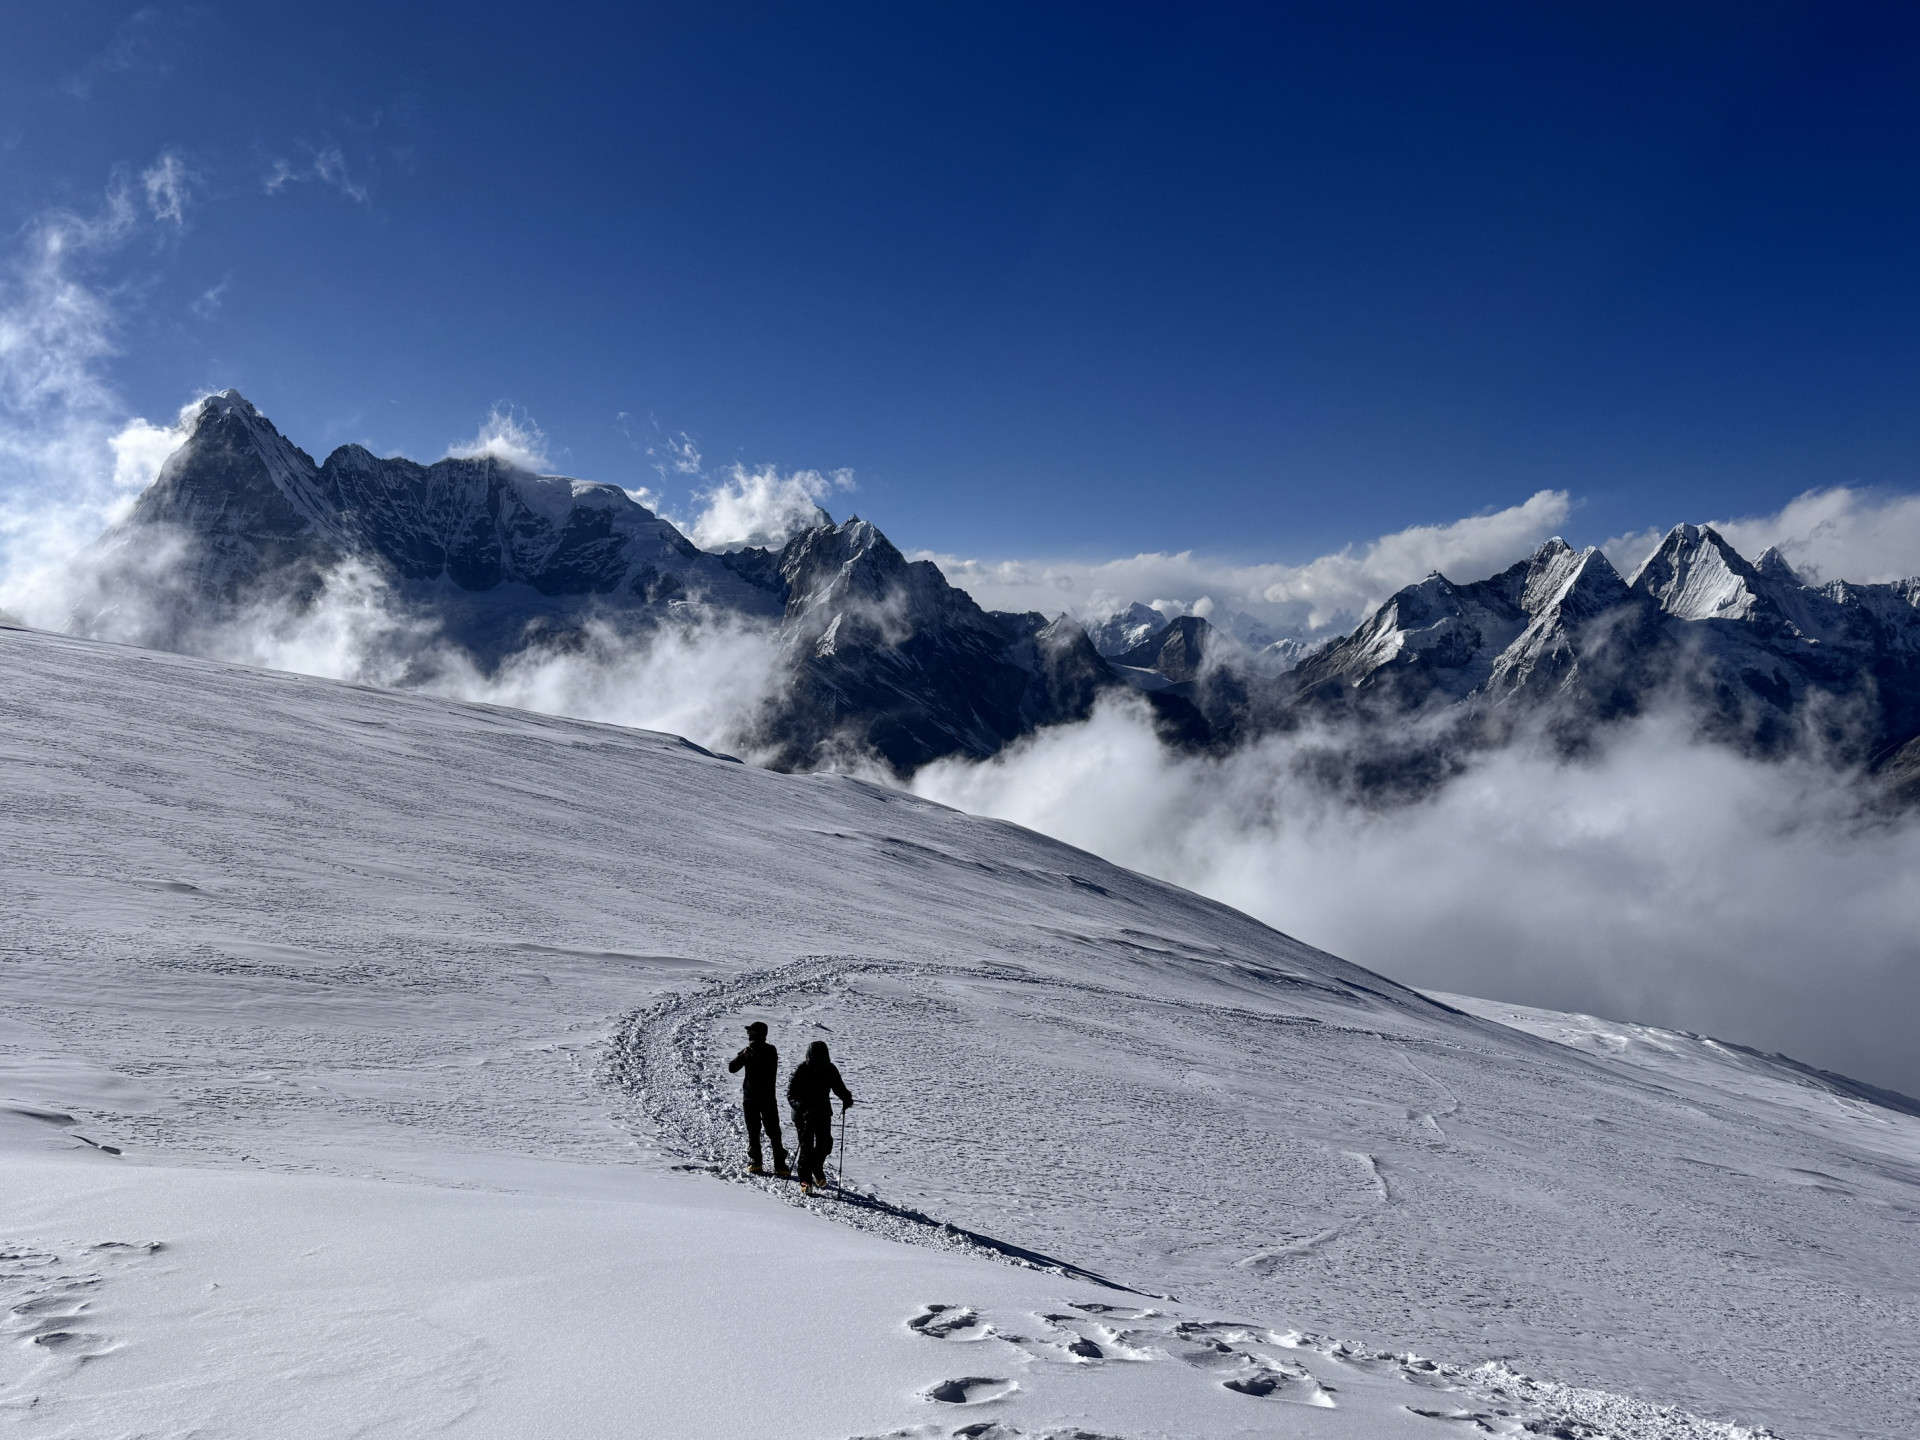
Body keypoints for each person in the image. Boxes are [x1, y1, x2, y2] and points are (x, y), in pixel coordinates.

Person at [786, 1039, 853, 1191]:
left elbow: (838, 1087)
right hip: (803, 1115)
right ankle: (805, 1180)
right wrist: (802, 1108)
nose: (820, 1061)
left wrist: (846, 1098)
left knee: (825, 1144)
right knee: (806, 1147)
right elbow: (791, 1095)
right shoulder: (801, 1070)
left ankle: (816, 1167)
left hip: (822, 1111)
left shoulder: (829, 1069)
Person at [726, 1021, 788, 1177]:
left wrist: (746, 1055)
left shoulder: (765, 1050)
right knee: (764, 1131)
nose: (748, 1035)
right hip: (760, 1099)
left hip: (758, 1098)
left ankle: (765, 1163)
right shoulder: (760, 1050)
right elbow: (732, 1068)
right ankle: (769, 1164)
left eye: (751, 1032)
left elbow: (733, 1068)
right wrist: (744, 1056)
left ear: (757, 1034)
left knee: (768, 1131)